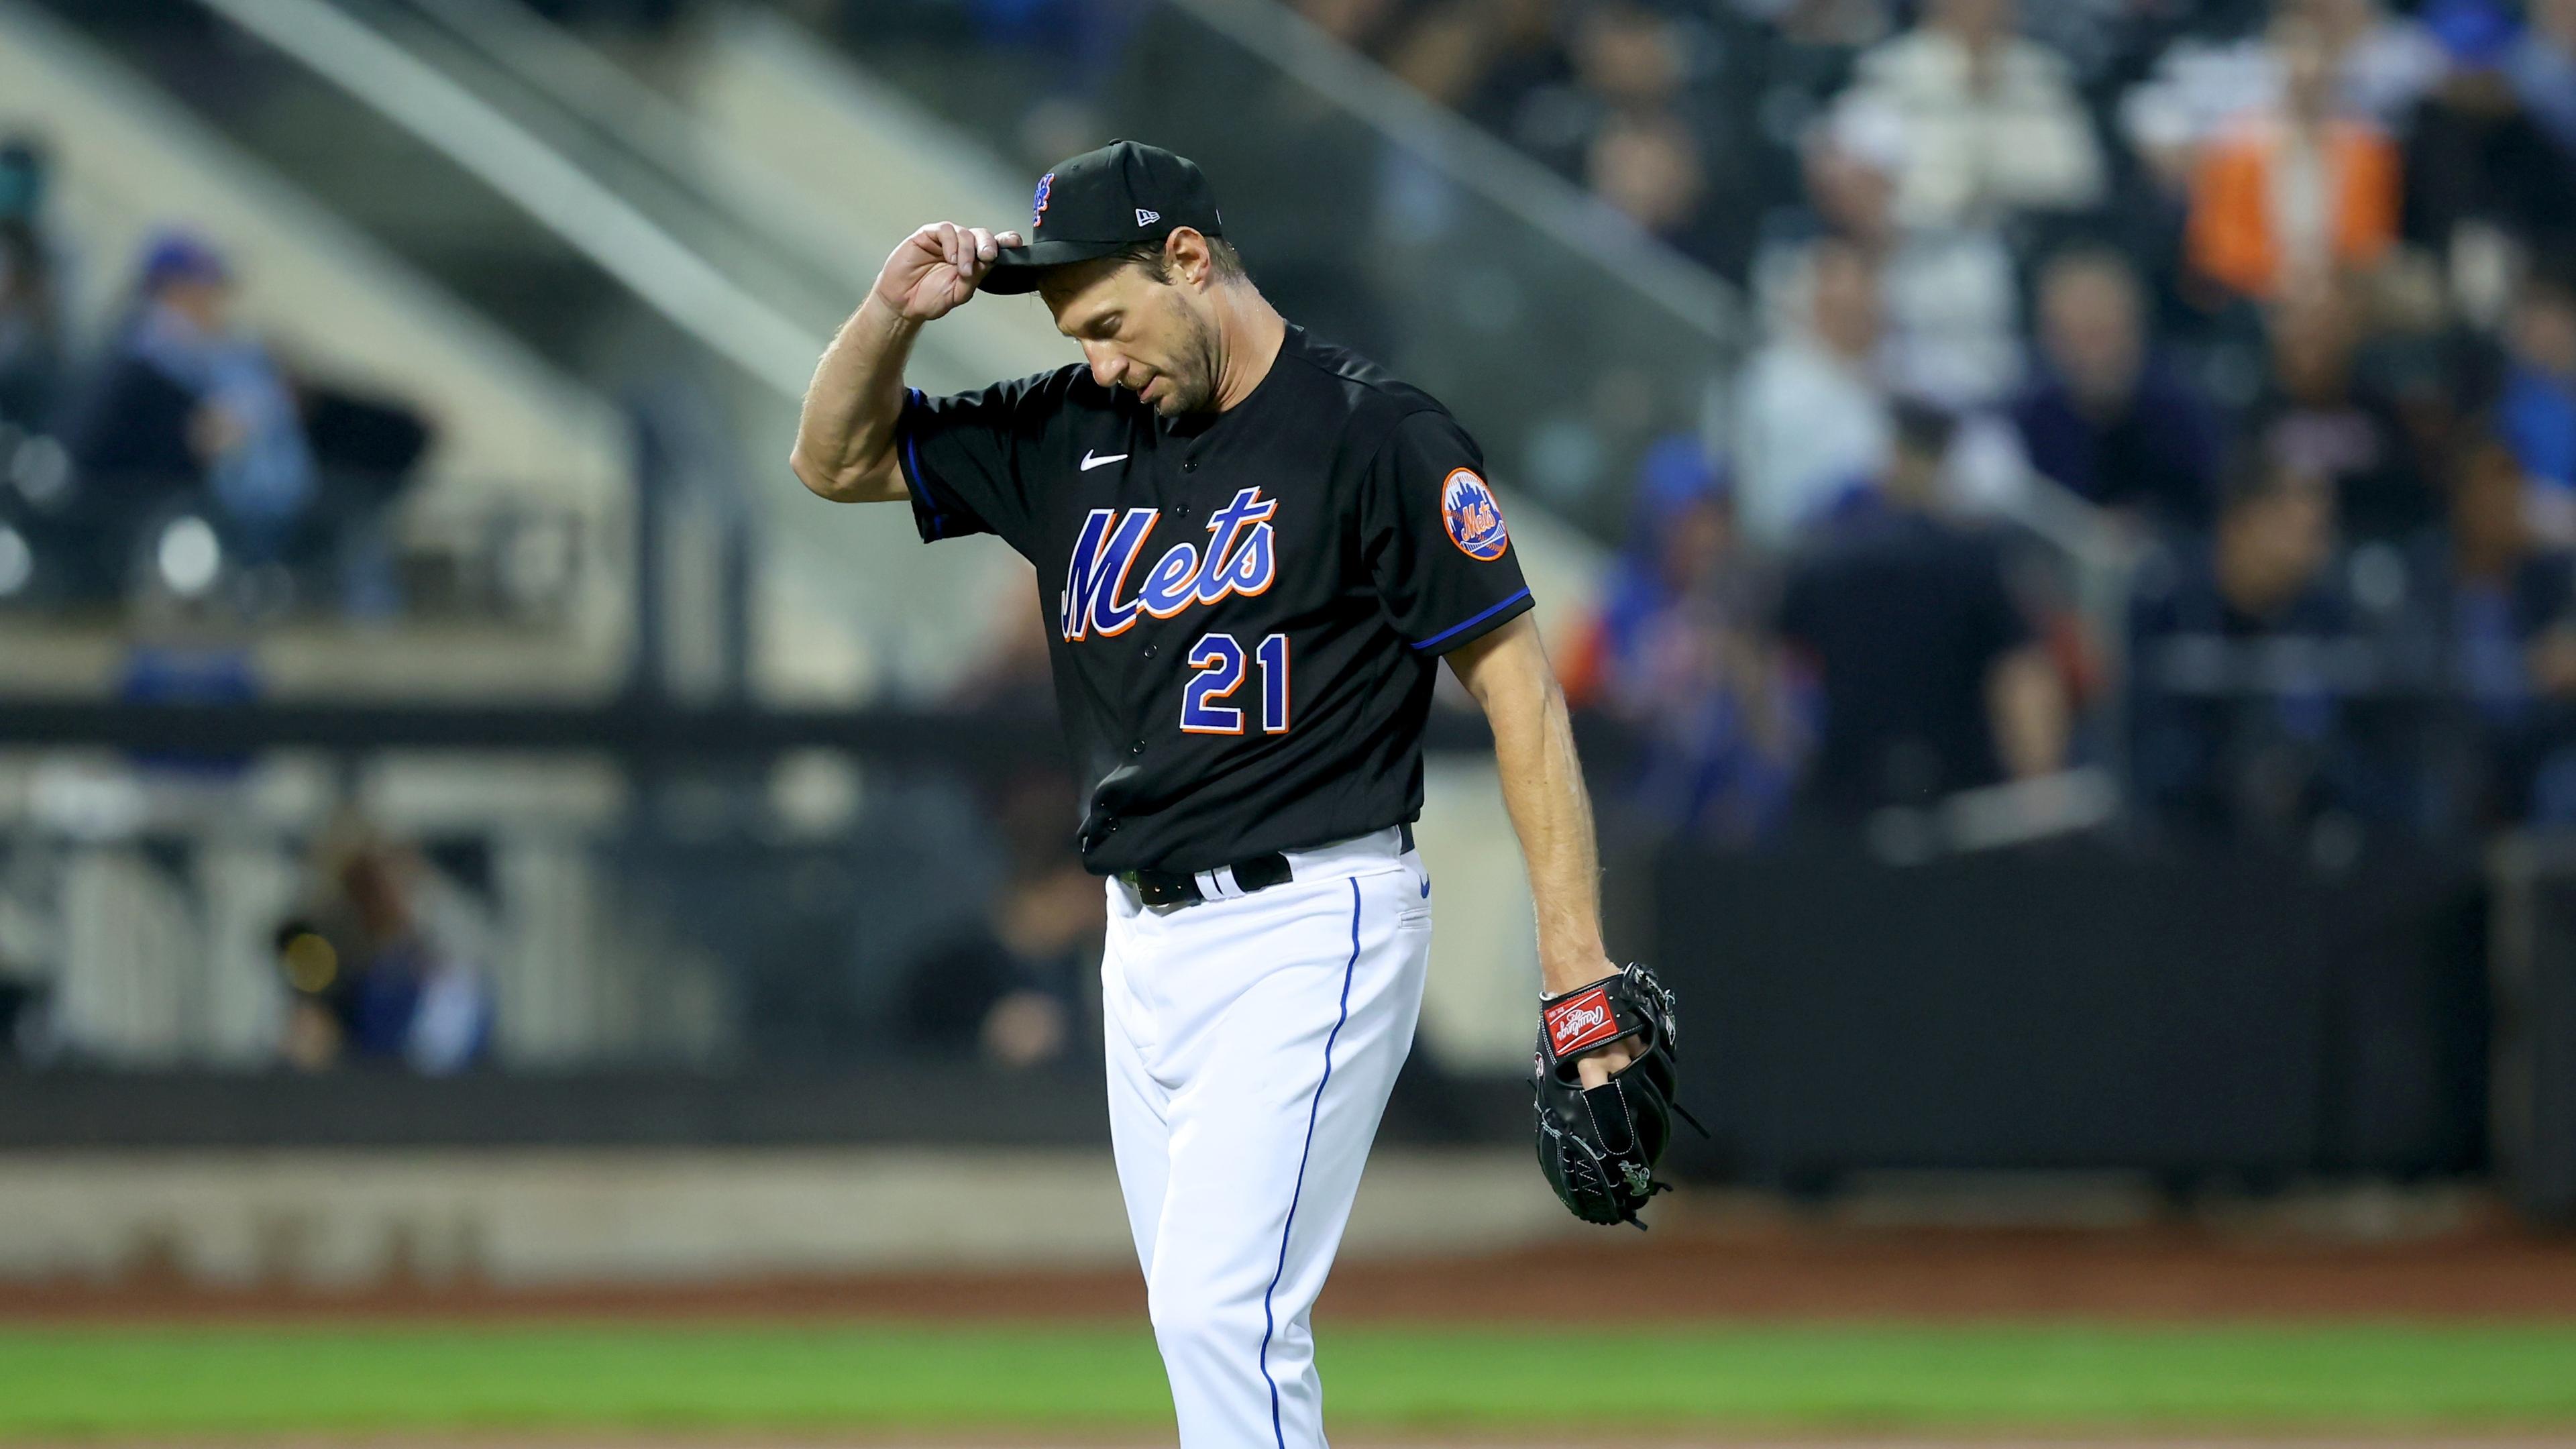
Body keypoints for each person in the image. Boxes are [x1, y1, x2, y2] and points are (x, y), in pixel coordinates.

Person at [788, 141, 1646, 1447]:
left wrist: (1574, 966)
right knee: (1204, 1323)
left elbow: (1521, 694)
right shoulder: (1073, 430)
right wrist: (888, 316)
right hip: (1142, 944)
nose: (1100, 361)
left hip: (1316, 920)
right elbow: (835, 459)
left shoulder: (1375, 435)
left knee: (1219, 1312)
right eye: (1077, 334)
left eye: (1113, 322)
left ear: (1190, 258)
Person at [1772, 399, 2067, 819]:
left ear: (1891, 455)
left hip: (1844, 791)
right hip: (1958, 791)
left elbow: (1774, 660)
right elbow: (2022, 676)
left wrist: (1784, 755)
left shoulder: (1824, 555)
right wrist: (2039, 789)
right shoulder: (1978, 558)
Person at [2011, 248, 2222, 531]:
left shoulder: (2184, 418)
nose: (2089, 355)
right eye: (2070, 337)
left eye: (2100, 334)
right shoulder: (2027, 420)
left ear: (2136, 329)